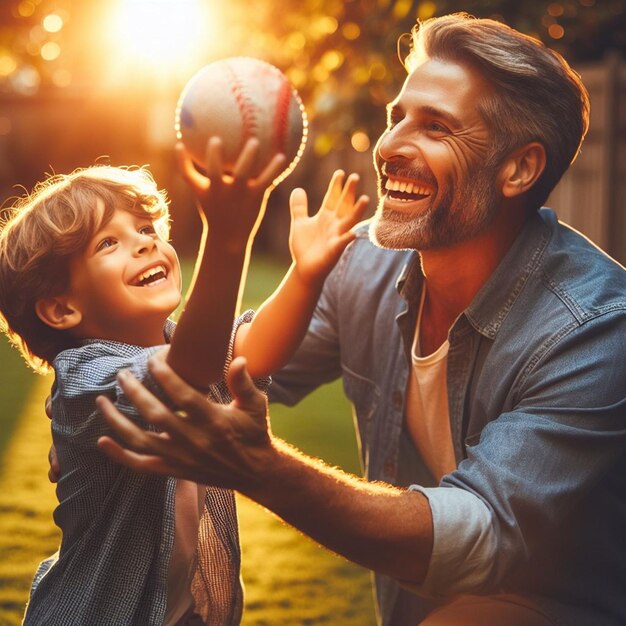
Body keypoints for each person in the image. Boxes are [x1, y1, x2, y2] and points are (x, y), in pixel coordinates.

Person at [60, 12, 625, 626]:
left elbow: (482, 540)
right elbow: (232, 366)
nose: (391, 146)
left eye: (435, 128)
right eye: (398, 118)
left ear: (518, 170)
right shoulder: (361, 266)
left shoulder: (594, 329)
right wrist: (104, 410)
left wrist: (264, 469)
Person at [0, 136, 367, 626]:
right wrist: (229, 237)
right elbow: (186, 374)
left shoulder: (183, 344)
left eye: (146, 227)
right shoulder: (84, 381)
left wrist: (305, 273)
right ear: (62, 308)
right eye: (108, 243)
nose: (145, 241)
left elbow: (253, 352)